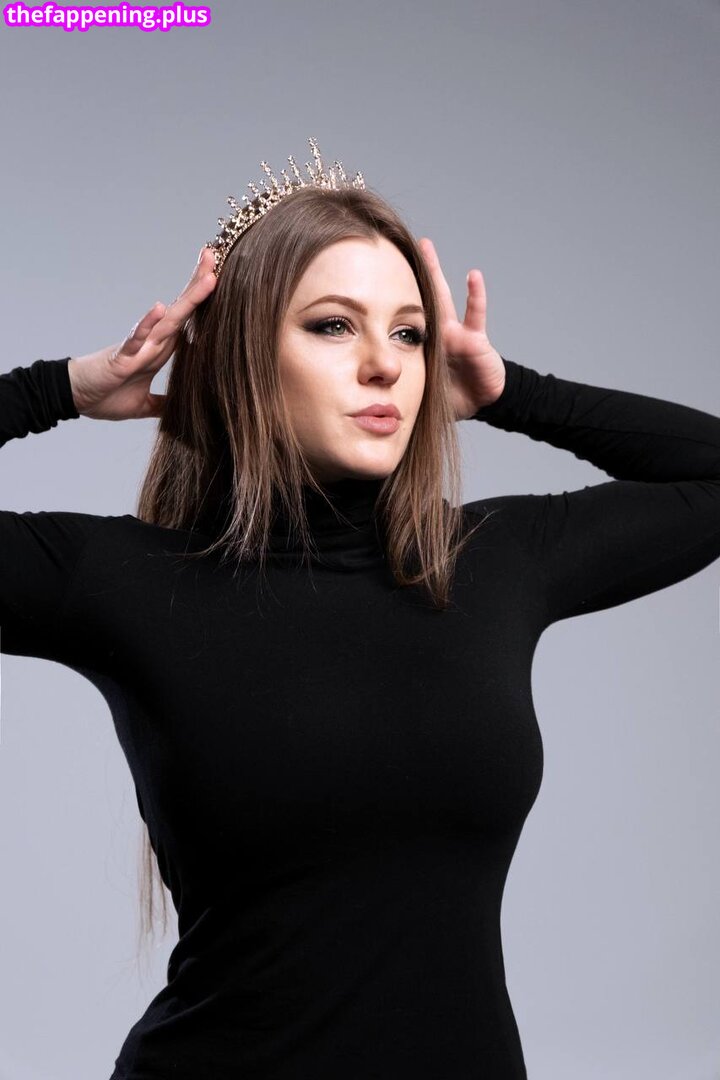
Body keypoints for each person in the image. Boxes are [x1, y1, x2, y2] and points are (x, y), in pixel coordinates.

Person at [2, 138, 720, 1080]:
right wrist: (60, 386)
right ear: (240, 354)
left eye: (410, 333)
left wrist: (513, 392)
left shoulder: (489, 561)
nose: (385, 364)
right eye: (334, 326)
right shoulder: (124, 578)